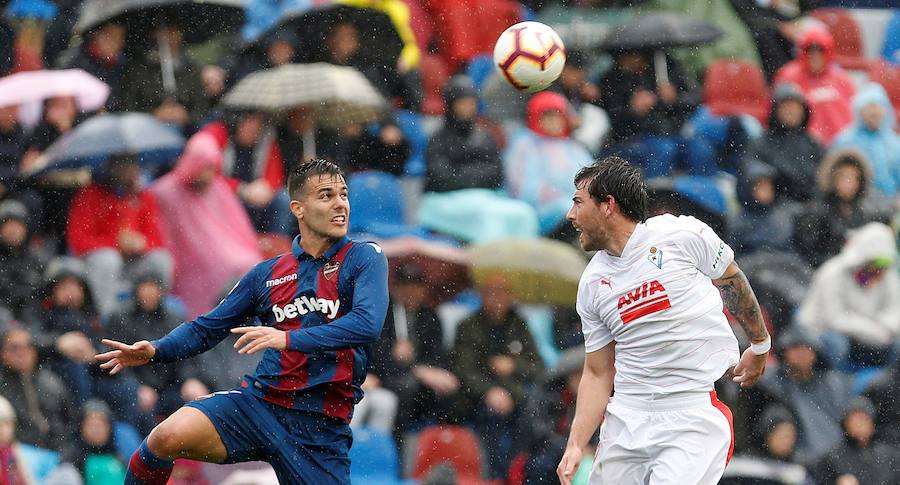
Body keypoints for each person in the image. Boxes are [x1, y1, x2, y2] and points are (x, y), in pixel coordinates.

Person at [95, 159, 389, 485]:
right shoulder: (267, 275)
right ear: (298, 209)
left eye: (343, 194)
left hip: (319, 429)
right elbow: (208, 328)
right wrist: (155, 349)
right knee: (164, 438)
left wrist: (287, 339)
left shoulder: (364, 258)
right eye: (326, 195)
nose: (340, 204)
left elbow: (367, 324)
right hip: (259, 406)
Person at [556, 156, 771, 485]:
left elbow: (731, 280)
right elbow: (598, 372)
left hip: (690, 414)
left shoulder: (681, 234)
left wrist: (760, 344)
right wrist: (575, 444)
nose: (571, 215)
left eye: (578, 203)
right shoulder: (591, 283)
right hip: (626, 418)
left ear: (608, 205)